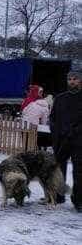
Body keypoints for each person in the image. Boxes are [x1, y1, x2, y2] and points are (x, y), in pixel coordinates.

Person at [50, 68, 81, 211]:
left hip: (79, 141)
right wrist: (56, 134)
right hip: (61, 140)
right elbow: (53, 118)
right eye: (69, 79)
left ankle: (78, 200)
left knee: (79, 171)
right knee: (58, 169)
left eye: (75, 79)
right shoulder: (60, 98)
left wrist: (75, 131)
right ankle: (58, 195)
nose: (72, 81)